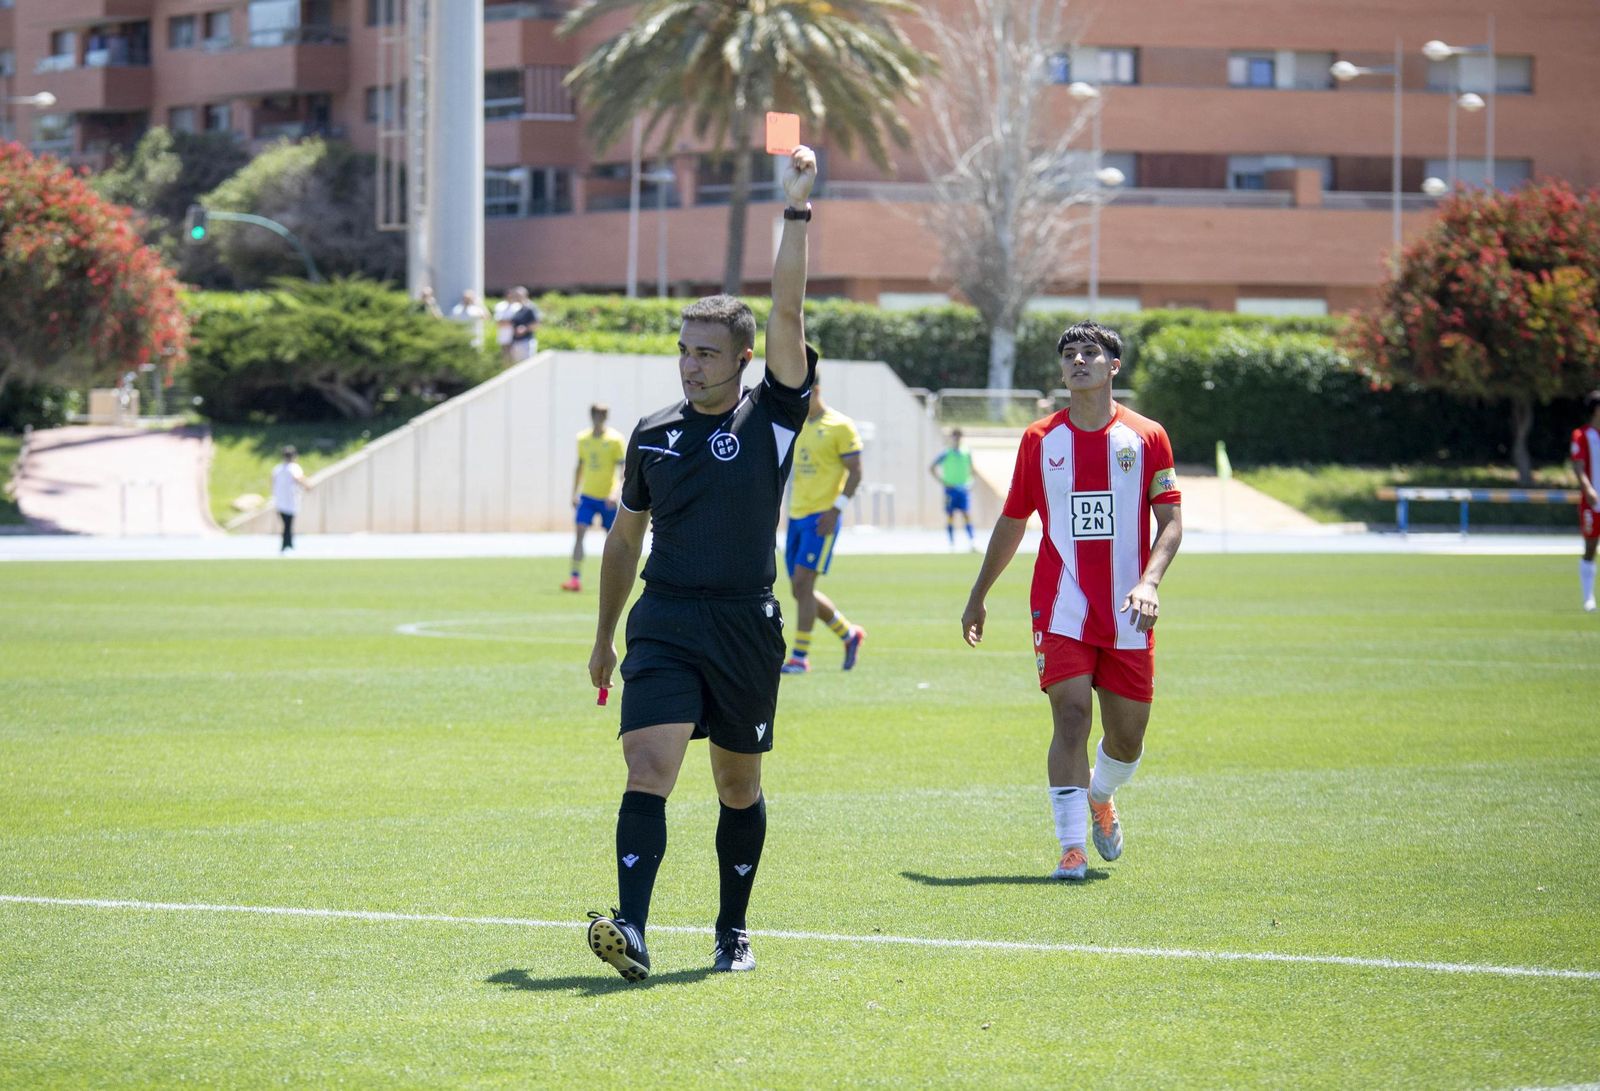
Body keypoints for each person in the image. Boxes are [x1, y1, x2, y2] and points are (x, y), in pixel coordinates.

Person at [584, 145, 818, 981]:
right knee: (648, 765)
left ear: (743, 359)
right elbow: (623, 539)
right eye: (684, 349)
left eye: (707, 352)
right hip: (666, 621)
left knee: (735, 786)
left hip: (745, 624)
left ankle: (732, 928)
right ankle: (633, 930)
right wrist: (606, 633)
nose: (690, 363)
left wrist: (794, 210)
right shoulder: (652, 433)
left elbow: (787, 315)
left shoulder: (774, 417)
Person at [961, 320, 1182, 881]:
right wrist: (978, 594)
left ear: (1114, 366)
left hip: (1129, 610)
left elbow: (1172, 523)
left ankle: (1101, 796)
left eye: (1091, 353)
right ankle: (1071, 847)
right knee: (1071, 715)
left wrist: (1149, 581)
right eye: (1069, 355)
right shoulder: (1039, 441)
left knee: (1128, 738)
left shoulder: (1147, 437)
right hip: (1061, 605)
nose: (1078, 361)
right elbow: (1014, 520)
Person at [781, 369, 866, 673]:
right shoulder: (797, 424)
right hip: (796, 516)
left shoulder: (840, 426)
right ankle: (848, 633)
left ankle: (800, 657)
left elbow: (856, 472)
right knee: (798, 590)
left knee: (803, 584)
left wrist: (836, 509)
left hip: (822, 517)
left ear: (815, 390)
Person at [564, 403, 626, 592]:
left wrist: (615, 493)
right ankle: (575, 578)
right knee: (580, 533)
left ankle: (617, 577)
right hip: (588, 496)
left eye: (603, 415)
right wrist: (574, 493)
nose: (599, 418)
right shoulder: (583, 439)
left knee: (613, 540)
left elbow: (622, 470)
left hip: (608, 498)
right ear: (591, 416)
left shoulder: (615, 440)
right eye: (596, 414)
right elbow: (579, 466)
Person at [1570, 388, 1600, 612]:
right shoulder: (1581, 435)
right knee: (1590, 546)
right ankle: (1588, 598)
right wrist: (1588, 489)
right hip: (1593, 502)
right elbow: (1578, 467)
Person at [930, 427, 977, 551]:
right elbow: (932, 468)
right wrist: (943, 482)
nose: (957, 439)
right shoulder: (946, 453)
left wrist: (971, 483)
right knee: (950, 515)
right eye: (955, 436)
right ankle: (951, 544)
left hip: (963, 489)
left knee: (966, 514)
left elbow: (973, 470)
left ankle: (972, 542)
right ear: (952, 438)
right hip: (950, 490)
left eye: (959, 436)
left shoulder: (966, 452)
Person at [271, 445, 313, 553]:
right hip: (290, 501)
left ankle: (288, 544)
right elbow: (298, 478)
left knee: (286, 525)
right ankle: (287, 545)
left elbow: (272, 482)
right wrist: (307, 485)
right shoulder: (294, 467)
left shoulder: (277, 468)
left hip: (280, 501)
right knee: (288, 525)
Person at [508, 287, 539, 361]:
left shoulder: (530, 308)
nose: (517, 297)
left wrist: (525, 328)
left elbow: (536, 324)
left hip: (526, 341)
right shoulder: (516, 308)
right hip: (515, 342)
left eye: (518, 295)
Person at [492, 290, 520, 364]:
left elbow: (518, 321)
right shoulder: (500, 306)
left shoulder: (518, 306)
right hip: (504, 334)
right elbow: (498, 321)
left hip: (517, 336)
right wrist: (511, 322)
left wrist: (508, 322)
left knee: (516, 356)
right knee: (505, 355)